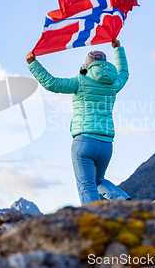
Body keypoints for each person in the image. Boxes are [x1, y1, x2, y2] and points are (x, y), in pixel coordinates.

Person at [25, 40, 131, 204]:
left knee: (87, 186)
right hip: (106, 144)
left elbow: (52, 83)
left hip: (84, 143)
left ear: (87, 66)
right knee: (98, 181)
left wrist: (33, 64)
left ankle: (93, 225)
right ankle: (123, 199)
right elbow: (124, 73)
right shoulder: (114, 84)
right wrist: (118, 49)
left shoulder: (80, 81)